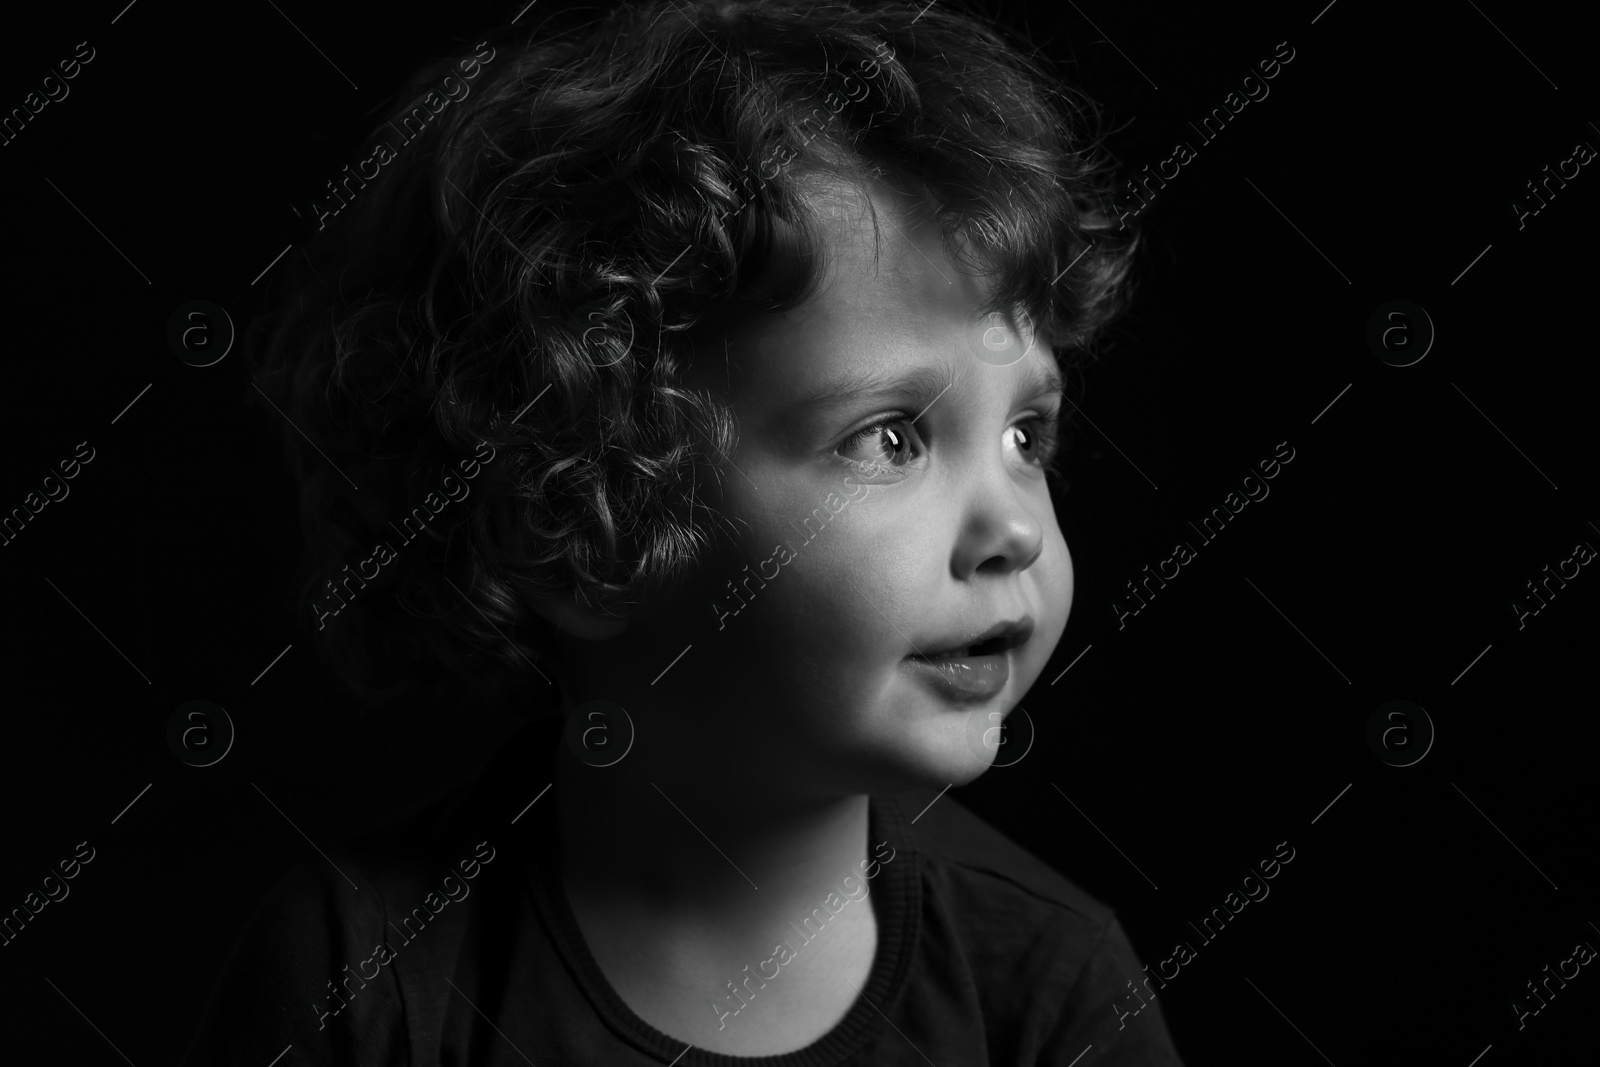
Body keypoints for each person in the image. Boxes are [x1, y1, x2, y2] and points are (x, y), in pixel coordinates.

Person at [183, 0, 1183, 1062]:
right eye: (889, 437)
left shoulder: (1049, 988)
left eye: (1027, 434)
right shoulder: (364, 978)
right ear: (586, 523)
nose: (1014, 529)